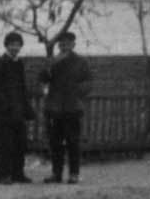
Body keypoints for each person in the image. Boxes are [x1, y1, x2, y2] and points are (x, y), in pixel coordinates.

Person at [38, 31, 92, 184]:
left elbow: (88, 82)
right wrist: (48, 68)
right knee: (55, 143)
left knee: (73, 142)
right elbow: (42, 79)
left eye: (68, 43)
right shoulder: (53, 61)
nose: (64, 46)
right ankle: (56, 174)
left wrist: (76, 92)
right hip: (54, 109)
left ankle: (74, 174)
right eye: (61, 43)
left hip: (72, 108)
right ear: (58, 45)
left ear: (73, 44)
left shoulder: (81, 62)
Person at [0, 31, 36, 184]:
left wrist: (27, 108)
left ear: (21, 46)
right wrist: (4, 103)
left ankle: (18, 174)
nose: (15, 47)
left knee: (21, 144)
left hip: (19, 111)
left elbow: (22, 88)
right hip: (5, 112)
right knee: (6, 144)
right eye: (12, 44)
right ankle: (4, 176)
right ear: (6, 45)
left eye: (17, 44)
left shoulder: (18, 64)